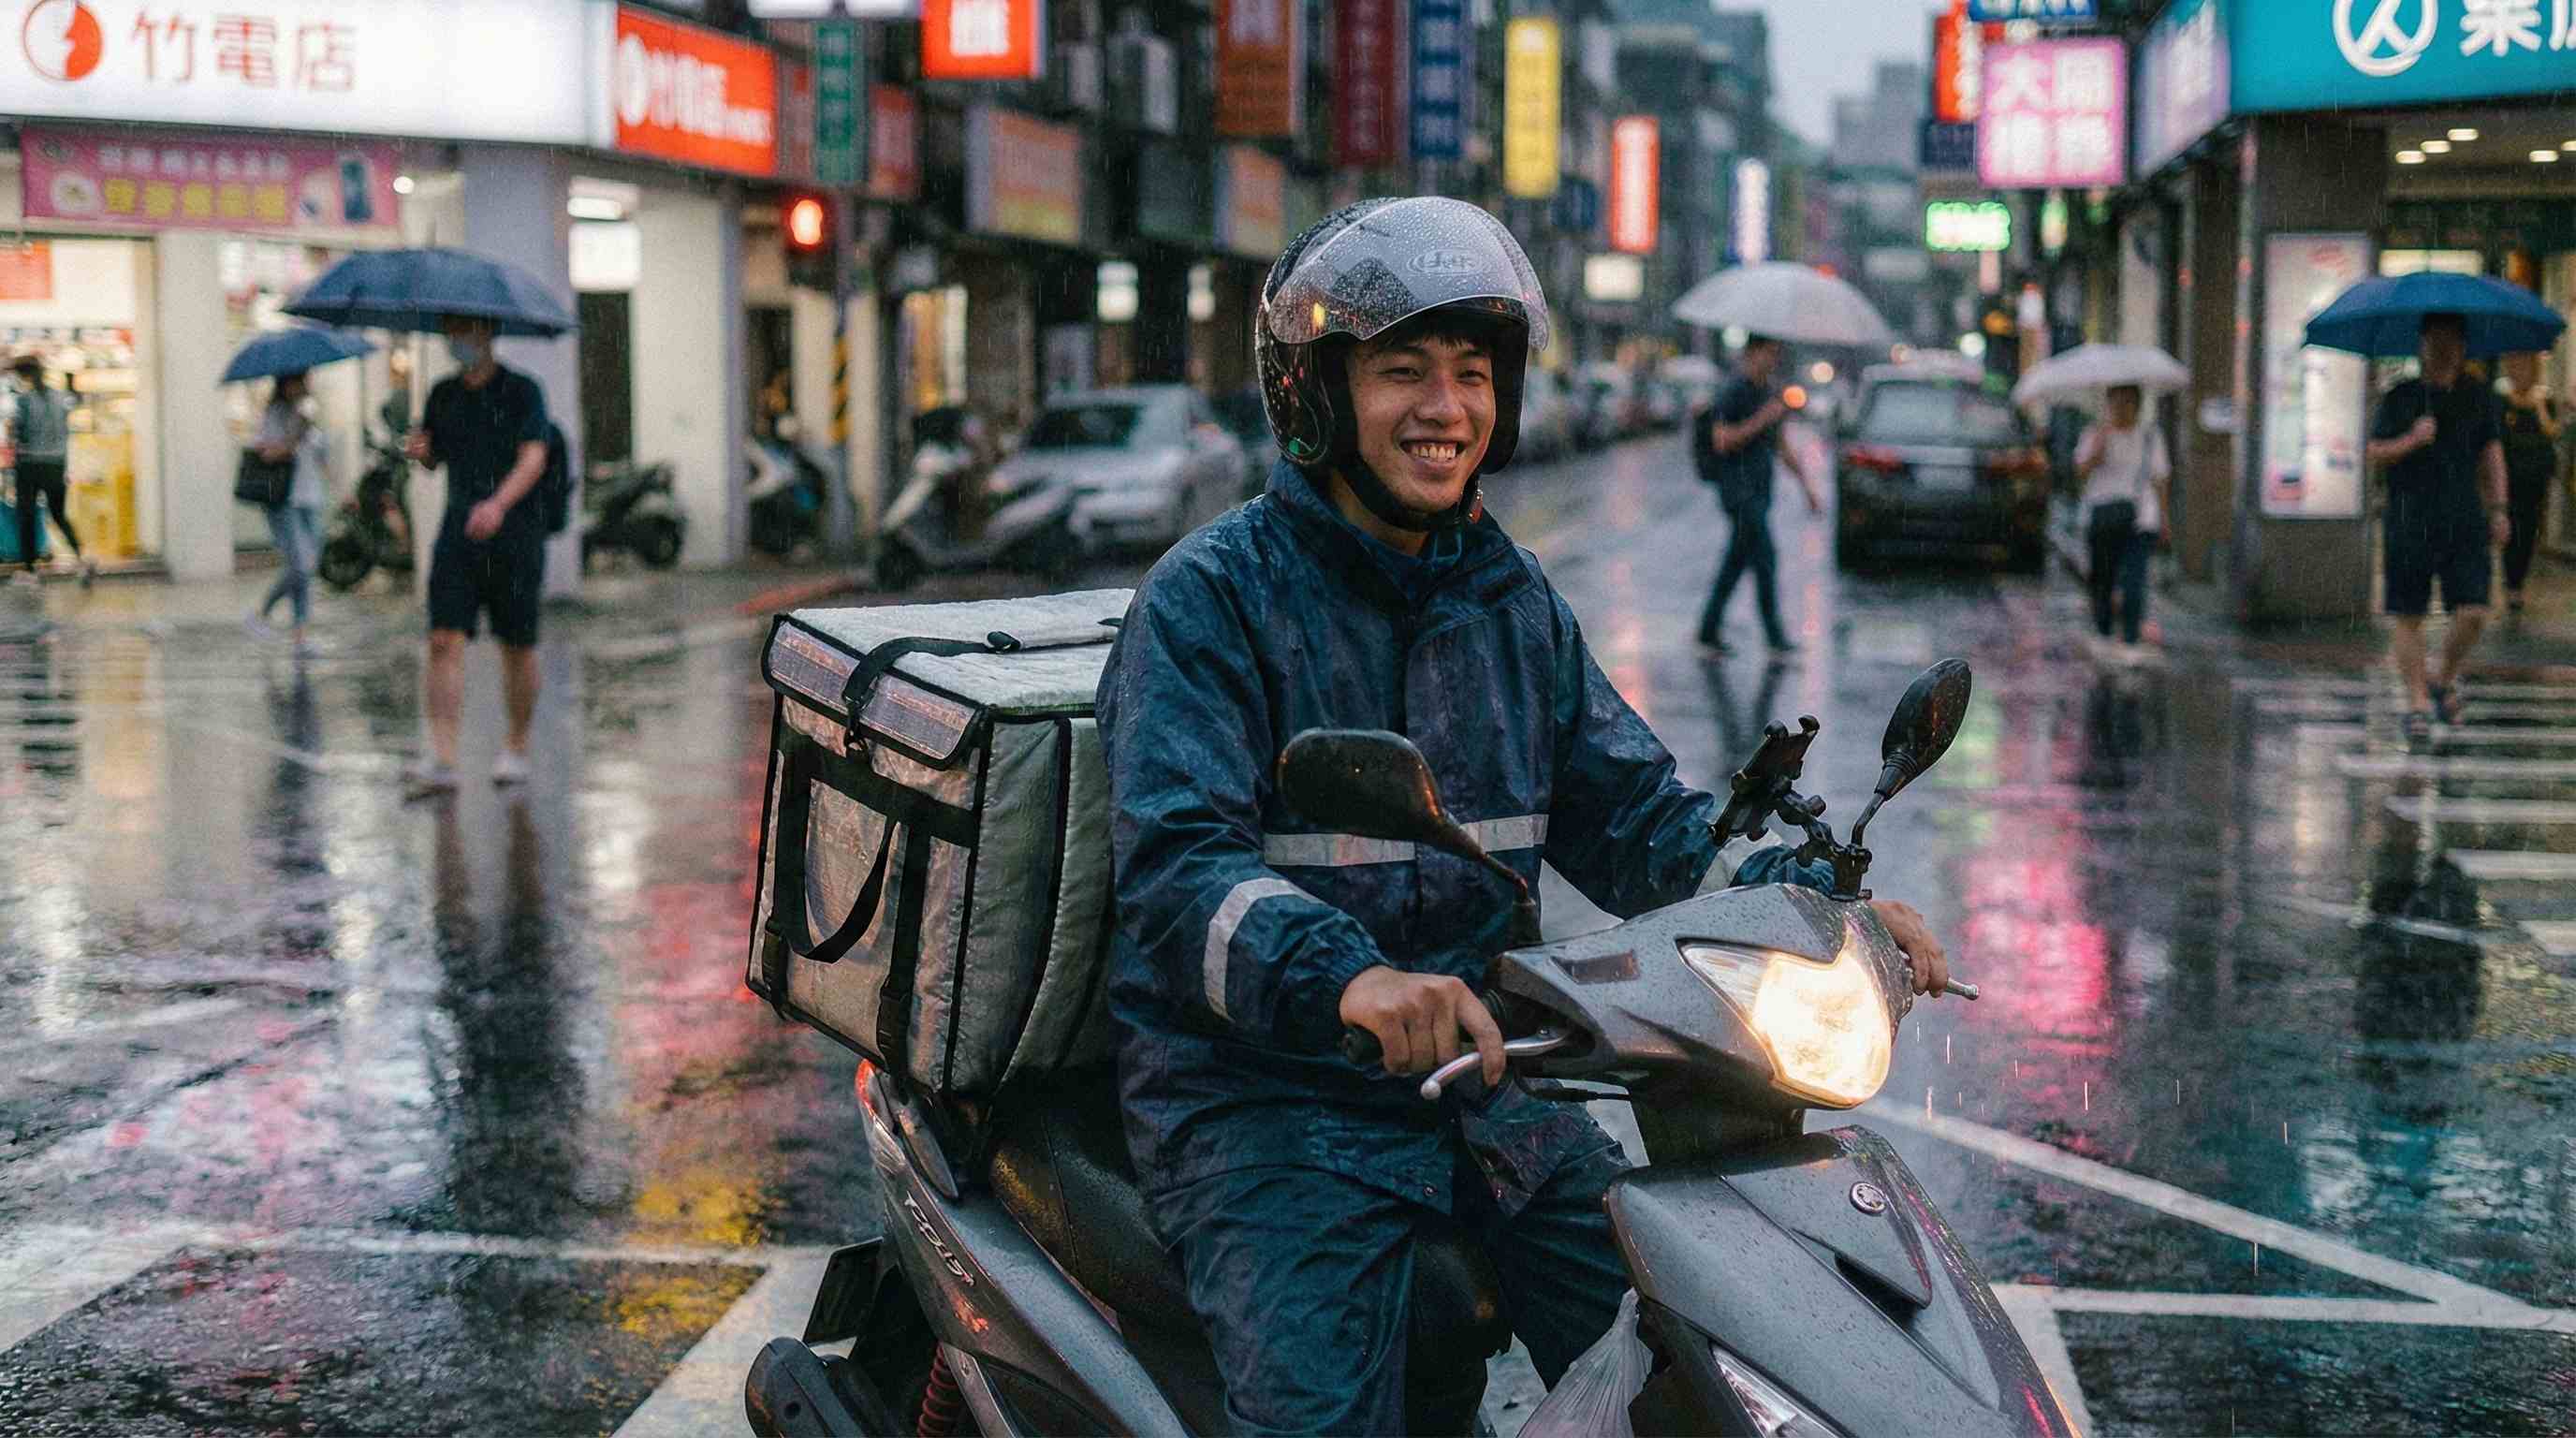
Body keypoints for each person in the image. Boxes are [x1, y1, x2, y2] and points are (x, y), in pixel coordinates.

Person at [1096, 197, 1954, 1435]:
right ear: (1316, 394)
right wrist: (1348, 982)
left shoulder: (1506, 599)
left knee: (1692, 1350)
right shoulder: (1214, 601)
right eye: (1404, 372)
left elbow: (1644, 825)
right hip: (1266, 1104)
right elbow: (1179, 871)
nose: (1448, 408)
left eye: (1473, 373)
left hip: (1488, 1088)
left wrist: (1818, 910)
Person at [401, 315, 550, 796]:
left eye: (464, 331)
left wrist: (499, 504)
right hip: (458, 533)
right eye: (450, 332)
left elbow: (534, 457)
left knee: (516, 645)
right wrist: (421, 451)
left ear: (487, 333)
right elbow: (433, 459)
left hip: (515, 535)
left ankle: (517, 746)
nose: (456, 341)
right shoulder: (442, 394)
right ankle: (443, 758)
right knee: (442, 640)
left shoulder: (523, 391)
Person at [2364, 313, 2510, 742]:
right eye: (2435, 339)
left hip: (2464, 518)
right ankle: (2416, 702)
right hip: (2409, 519)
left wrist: (2500, 509)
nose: (2443, 347)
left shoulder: (2478, 397)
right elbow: (2373, 451)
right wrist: (2411, 440)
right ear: (2422, 344)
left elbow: (2493, 454)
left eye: (2451, 339)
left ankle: (2442, 677)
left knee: (2474, 612)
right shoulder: (2401, 397)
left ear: (2463, 345)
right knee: (2408, 614)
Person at [1692, 335, 1822, 655]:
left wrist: (1808, 488)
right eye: (1769, 353)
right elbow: (1722, 440)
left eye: (1777, 354)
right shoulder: (1733, 392)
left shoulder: (1768, 393)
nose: (1773, 360)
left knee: (1736, 562)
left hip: (1760, 491)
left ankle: (1708, 630)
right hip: (1738, 492)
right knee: (1765, 559)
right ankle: (1775, 637)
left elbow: (1781, 446)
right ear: (1752, 353)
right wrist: (1761, 419)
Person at [2073, 383, 2172, 656]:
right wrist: (2099, 447)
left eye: (2128, 402)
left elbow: (2161, 479)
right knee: (2101, 580)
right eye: (2116, 402)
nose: (2121, 408)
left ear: (2137, 405)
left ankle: (2130, 638)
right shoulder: (2094, 433)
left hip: (2140, 519)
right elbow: (2080, 471)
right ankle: (2104, 631)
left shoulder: (2150, 436)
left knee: (2134, 581)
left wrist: (2165, 519)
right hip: (2102, 515)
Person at [245, 370, 332, 650]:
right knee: (301, 565)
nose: (305, 385)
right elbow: (267, 452)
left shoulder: (305, 414)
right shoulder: (275, 414)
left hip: (311, 497)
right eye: (300, 380)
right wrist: (295, 436)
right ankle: (261, 614)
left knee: (308, 567)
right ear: (286, 383)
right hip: (286, 500)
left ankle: (300, 636)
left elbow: (320, 456)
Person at [8, 355, 94, 587]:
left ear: (23, 376)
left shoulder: (24, 401)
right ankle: (81, 560)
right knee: (58, 514)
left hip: (30, 465)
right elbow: (74, 404)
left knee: (26, 515)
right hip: (56, 464)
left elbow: (21, 435)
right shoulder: (60, 398)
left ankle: (30, 571)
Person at [2497, 351, 2559, 614]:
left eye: (2524, 365)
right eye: (2514, 365)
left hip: (2535, 478)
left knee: (2529, 529)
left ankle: (2518, 582)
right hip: (2510, 476)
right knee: (2510, 529)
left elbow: (2551, 431)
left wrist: (2538, 405)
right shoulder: (2501, 399)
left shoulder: (2545, 398)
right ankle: (2512, 585)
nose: (2518, 370)